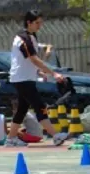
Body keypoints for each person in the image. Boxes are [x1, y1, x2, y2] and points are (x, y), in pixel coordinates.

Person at [6, 9, 69, 147]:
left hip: (24, 78)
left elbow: (24, 61)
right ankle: (56, 136)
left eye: (41, 23)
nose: (39, 26)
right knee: (39, 106)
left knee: (23, 109)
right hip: (22, 79)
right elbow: (34, 59)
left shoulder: (31, 36)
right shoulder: (24, 38)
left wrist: (38, 73)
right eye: (37, 23)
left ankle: (10, 139)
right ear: (29, 22)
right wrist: (54, 73)